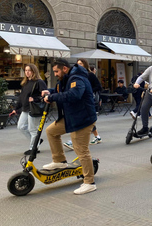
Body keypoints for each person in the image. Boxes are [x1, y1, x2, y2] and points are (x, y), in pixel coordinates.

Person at [41, 58, 97, 195]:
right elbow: (60, 90)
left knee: (81, 150)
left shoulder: (77, 78)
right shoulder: (67, 78)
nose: (55, 74)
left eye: (56, 71)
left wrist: (53, 97)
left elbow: (74, 95)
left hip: (83, 119)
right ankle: (59, 160)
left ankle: (89, 182)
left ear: (64, 69)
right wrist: (49, 91)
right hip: (72, 117)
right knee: (51, 131)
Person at [63, 59, 103, 150]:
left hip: (88, 101)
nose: (79, 65)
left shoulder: (90, 75)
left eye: (81, 63)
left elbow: (98, 86)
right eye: (77, 63)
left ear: (85, 64)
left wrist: (88, 90)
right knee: (86, 121)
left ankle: (74, 142)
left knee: (84, 121)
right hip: (79, 102)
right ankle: (97, 136)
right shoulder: (75, 75)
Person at [10, 64, 47, 155]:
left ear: (34, 71)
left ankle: (33, 148)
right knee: (21, 126)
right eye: (26, 70)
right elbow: (21, 97)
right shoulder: (26, 83)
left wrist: (35, 99)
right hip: (26, 108)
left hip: (34, 108)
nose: (27, 72)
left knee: (33, 129)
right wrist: (16, 108)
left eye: (29, 70)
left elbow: (45, 95)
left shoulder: (39, 82)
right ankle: (36, 141)